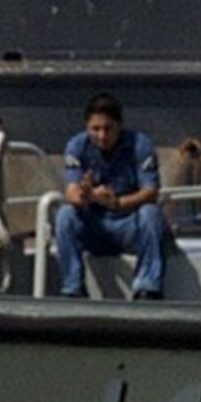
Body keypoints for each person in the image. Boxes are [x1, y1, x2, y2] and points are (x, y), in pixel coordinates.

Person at [50, 92, 171, 298]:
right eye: (95, 129)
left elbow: (150, 191)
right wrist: (86, 195)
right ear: (86, 127)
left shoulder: (140, 145)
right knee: (65, 215)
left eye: (108, 128)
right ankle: (73, 287)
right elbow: (71, 192)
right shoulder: (77, 147)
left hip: (128, 224)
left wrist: (117, 202)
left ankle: (147, 287)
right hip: (94, 225)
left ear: (120, 125)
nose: (102, 136)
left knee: (151, 214)